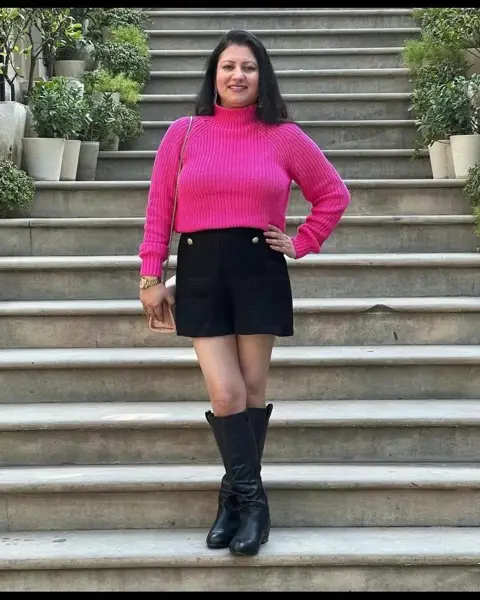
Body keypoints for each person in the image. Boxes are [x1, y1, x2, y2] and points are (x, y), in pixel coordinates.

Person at [138, 29, 350, 557]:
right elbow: (159, 208)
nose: (238, 76)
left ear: (262, 77)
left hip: (258, 267)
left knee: (252, 391)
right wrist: (150, 276)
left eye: (249, 68)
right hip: (200, 270)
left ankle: (236, 502)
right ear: (214, 75)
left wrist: (303, 241)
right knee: (226, 394)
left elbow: (333, 193)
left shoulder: (283, 136)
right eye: (229, 66)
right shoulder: (184, 133)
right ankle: (251, 502)